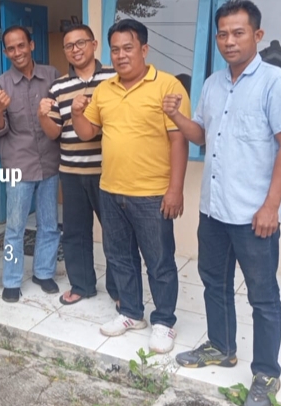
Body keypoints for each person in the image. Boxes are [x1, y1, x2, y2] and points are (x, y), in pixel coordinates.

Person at [163, 0, 281, 406]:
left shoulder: (277, 83)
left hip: (254, 214)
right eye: (222, 34)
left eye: (238, 33)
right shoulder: (212, 84)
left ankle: (266, 373)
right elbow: (203, 136)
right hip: (214, 210)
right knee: (214, 282)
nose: (229, 41)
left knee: (263, 295)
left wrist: (271, 206)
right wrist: (176, 117)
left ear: (257, 35)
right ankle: (221, 347)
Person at [70, 19, 189, 354]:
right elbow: (87, 132)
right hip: (111, 190)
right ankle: (131, 313)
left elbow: (179, 141)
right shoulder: (105, 89)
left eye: (128, 48)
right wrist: (77, 113)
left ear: (144, 49)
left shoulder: (167, 86)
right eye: (115, 49)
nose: (121, 55)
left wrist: (175, 189)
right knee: (119, 257)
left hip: (152, 194)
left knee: (159, 261)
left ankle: (164, 321)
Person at [38, 24, 117, 306]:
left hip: (108, 172)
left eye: (81, 43)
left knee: (115, 233)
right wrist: (42, 116)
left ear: (94, 44)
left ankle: (120, 290)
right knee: (75, 233)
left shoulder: (114, 77)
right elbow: (54, 133)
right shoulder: (58, 87)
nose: (75, 49)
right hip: (71, 171)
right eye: (69, 46)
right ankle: (82, 285)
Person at [0, 25, 61, 303]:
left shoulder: (52, 76)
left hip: (50, 162)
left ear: (31, 45)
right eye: (11, 48)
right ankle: (12, 279)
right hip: (18, 165)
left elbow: (61, 116)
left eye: (21, 45)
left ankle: (44, 272)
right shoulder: (0, 85)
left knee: (49, 223)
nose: (17, 52)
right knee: (15, 228)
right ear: (6, 53)